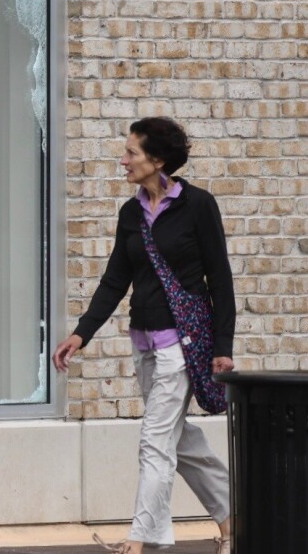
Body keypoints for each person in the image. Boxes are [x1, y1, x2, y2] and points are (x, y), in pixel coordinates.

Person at [53, 117, 234, 554]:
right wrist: (82, 334)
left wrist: (223, 349)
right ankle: (235, 516)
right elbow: (116, 279)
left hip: (182, 345)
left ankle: (144, 539)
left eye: (131, 152)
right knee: (178, 438)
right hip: (144, 343)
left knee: (155, 441)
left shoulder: (198, 205)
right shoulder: (131, 213)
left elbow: (220, 280)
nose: (123, 160)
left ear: (157, 160)